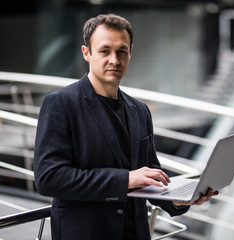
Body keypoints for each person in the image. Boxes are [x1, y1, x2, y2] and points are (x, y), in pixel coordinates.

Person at [34, 13, 218, 240]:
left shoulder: (139, 110)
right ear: (87, 54)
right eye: (105, 51)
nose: (115, 59)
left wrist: (178, 200)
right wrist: (125, 180)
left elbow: (149, 173)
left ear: (130, 52)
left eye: (122, 51)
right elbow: (49, 178)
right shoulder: (61, 104)